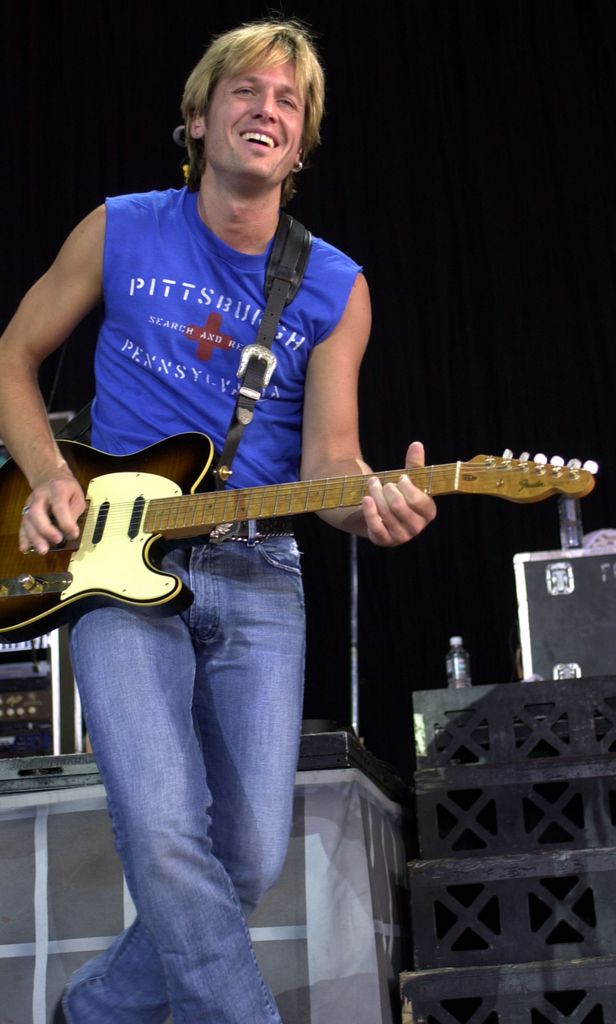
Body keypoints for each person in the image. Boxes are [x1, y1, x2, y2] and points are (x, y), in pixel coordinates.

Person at [0, 18, 436, 1024]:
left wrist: (369, 505)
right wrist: (45, 470)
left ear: (301, 141)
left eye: (288, 101)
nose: (267, 110)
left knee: (240, 860)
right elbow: (13, 359)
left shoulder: (334, 285)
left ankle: (95, 1010)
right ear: (198, 119)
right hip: (118, 569)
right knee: (163, 837)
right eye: (246, 91)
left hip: (260, 574)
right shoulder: (119, 228)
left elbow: (330, 459)